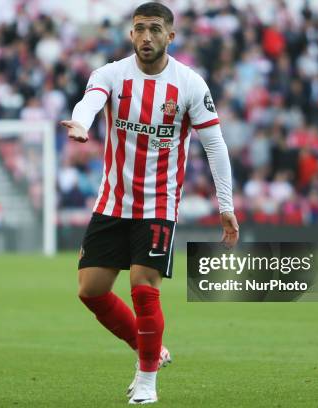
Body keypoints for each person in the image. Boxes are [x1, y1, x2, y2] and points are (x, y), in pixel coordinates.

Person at [61, 2, 239, 404]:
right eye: (139, 28)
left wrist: (224, 203)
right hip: (112, 201)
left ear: (170, 36)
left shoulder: (190, 84)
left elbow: (215, 145)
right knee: (91, 291)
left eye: (155, 29)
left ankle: (146, 381)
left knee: (143, 288)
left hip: (158, 203)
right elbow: (91, 100)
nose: (146, 37)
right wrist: (82, 124)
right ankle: (152, 351)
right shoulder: (110, 74)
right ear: (130, 34)